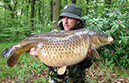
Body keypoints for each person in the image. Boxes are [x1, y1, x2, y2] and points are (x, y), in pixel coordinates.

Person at [30, 4, 93, 83]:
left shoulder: (85, 36)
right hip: (54, 80)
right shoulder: (53, 35)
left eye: (69, 18)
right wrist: (40, 54)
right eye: (63, 18)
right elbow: (48, 64)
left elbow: (88, 65)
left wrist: (87, 58)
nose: (65, 22)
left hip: (76, 80)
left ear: (78, 21)